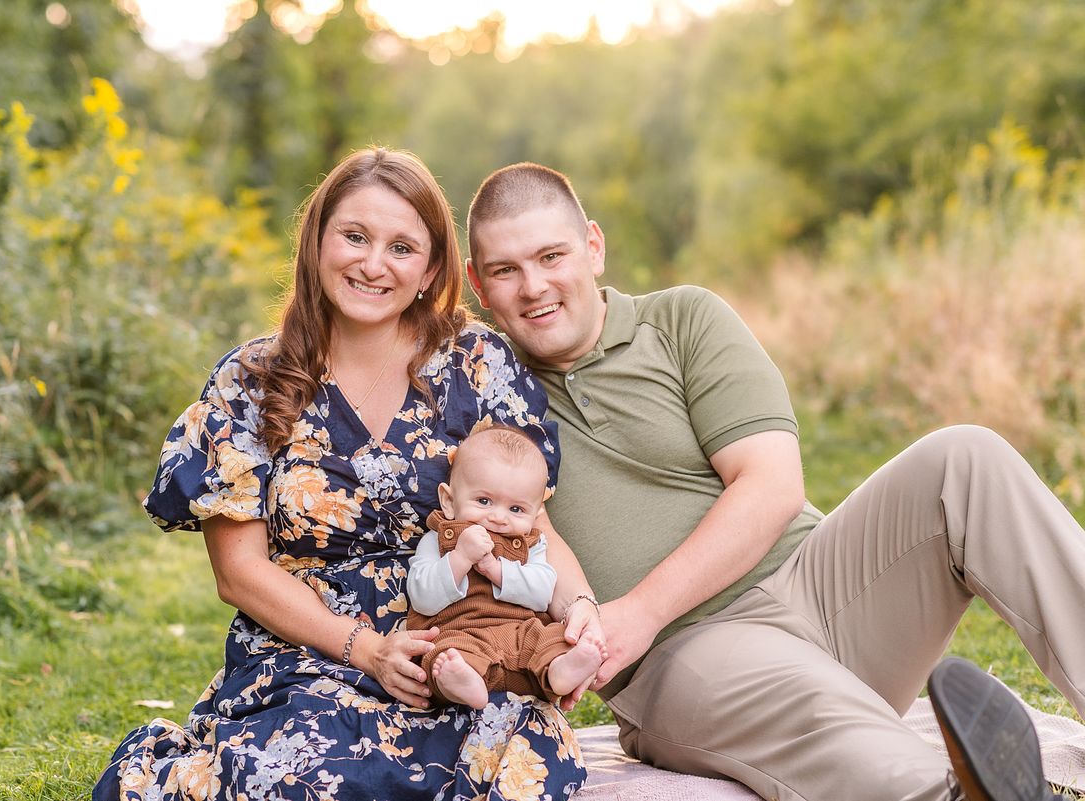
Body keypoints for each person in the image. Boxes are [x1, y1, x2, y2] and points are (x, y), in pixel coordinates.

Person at [463, 161, 1085, 801]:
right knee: (814, 716)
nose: (533, 286)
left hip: (824, 587)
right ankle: (963, 793)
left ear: (593, 247)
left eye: (551, 256)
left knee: (965, 459)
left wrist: (637, 614)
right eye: (506, 270)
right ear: (477, 285)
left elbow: (771, 484)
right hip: (686, 654)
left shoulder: (683, 321)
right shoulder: (479, 391)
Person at [92, 149, 592, 801]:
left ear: (431, 268)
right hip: (310, 652)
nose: (373, 263)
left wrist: (578, 608)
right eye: (354, 236)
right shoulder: (250, 383)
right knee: (302, 777)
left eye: (402, 247)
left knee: (513, 765)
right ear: (317, 241)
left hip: (460, 638)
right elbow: (238, 571)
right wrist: (365, 648)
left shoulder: (475, 364)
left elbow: (531, 518)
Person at [406, 424, 607, 709]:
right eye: (484, 501)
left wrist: (496, 570)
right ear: (449, 501)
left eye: (516, 509)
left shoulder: (532, 544)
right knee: (442, 656)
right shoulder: (438, 539)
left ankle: (560, 671)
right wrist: (460, 558)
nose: (499, 518)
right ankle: (466, 682)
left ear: (535, 513)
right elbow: (423, 598)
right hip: (462, 633)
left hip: (522, 635)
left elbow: (541, 592)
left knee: (550, 637)